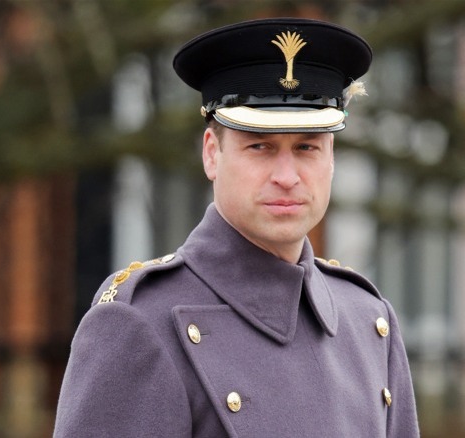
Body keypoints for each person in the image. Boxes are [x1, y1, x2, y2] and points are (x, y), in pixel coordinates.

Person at [54, 17, 419, 437]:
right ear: (212, 154)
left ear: (332, 158)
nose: (287, 175)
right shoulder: (141, 322)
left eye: (307, 148)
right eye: (259, 146)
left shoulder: (367, 319)